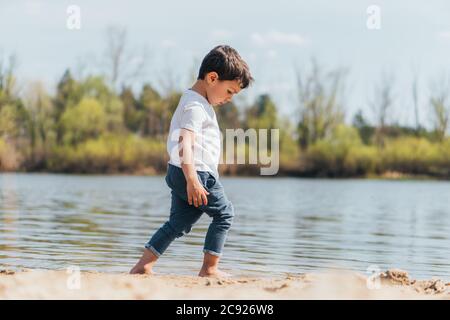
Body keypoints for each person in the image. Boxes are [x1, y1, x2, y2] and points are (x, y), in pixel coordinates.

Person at [130, 45, 253, 277]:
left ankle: (143, 266)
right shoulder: (196, 106)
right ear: (212, 78)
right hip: (195, 173)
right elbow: (184, 142)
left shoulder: (196, 102)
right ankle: (209, 269)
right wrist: (193, 180)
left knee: (178, 223)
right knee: (224, 213)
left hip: (180, 171)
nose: (229, 99)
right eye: (229, 92)